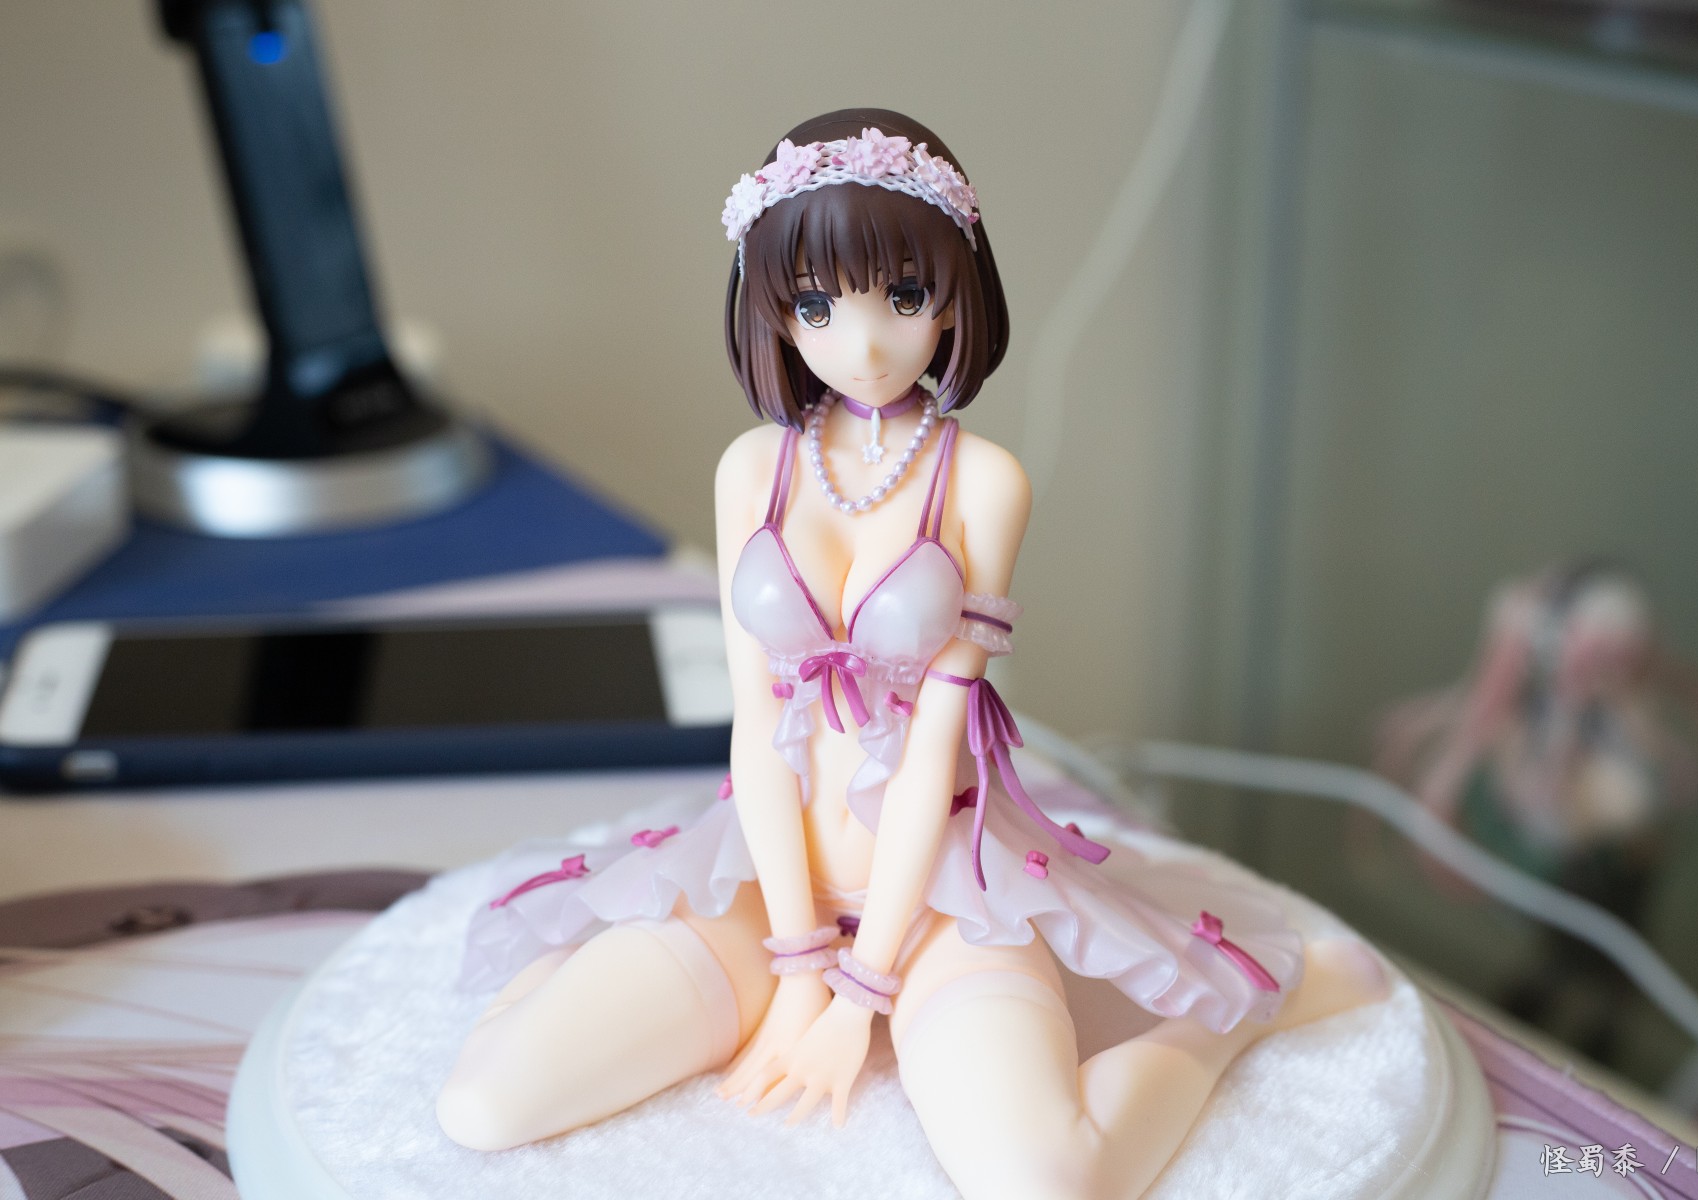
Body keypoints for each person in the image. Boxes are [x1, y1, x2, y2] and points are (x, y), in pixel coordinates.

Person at [438, 108, 1388, 1200]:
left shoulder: (981, 482)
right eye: (815, 305)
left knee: (1048, 1183)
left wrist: (862, 991)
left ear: (953, 292)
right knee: (483, 1107)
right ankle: (652, 981)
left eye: (901, 294)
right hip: (766, 883)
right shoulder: (753, 469)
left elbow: (937, 749)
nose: (865, 343)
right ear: (772, 309)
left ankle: (1228, 1025)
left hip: (941, 898)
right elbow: (757, 725)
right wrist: (801, 966)